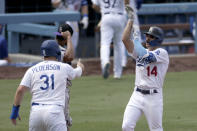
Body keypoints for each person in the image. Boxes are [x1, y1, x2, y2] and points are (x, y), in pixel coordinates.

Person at [10, 40, 84, 131]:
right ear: (57, 52)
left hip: (36, 114)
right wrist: (80, 66)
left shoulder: (32, 70)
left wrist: (14, 112)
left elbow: (20, 90)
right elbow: (77, 73)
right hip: (54, 112)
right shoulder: (63, 67)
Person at [122, 5, 169, 131]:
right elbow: (125, 39)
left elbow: (145, 55)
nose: (148, 38)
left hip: (154, 97)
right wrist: (130, 20)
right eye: (147, 35)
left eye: (151, 36)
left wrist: (136, 40)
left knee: (156, 129)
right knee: (126, 126)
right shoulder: (140, 50)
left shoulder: (162, 53)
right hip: (137, 94)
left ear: (158, 40)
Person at [91, 0, 128, 79]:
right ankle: (117, 73)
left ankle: (105, 62)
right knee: (118, 44)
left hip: (106, 15)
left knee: (105, 43)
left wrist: (102, 10)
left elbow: (94, 6)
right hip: (120, 16)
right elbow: (127, 2)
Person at [55, 23, 74, 131]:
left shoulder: (49, 48)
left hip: (49, 91)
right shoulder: (61, 51)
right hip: (61, 91)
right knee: (64, 125)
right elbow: (69, 56)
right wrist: (69, 38)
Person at [121, 0, 143, 67]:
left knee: (121, 38)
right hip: (128, 11)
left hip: (120, 13)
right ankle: (138, 57)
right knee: (136, 33)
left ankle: (122, 62)